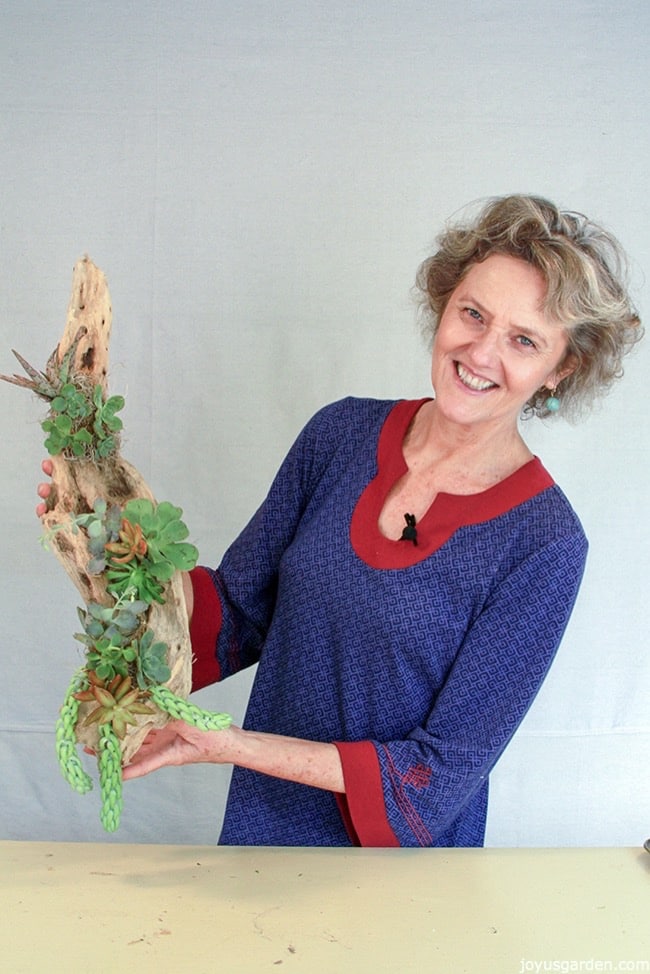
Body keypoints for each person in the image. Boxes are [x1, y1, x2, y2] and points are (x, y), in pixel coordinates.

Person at [38, 194, 642, 847]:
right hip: (263, 835)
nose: (482, 352)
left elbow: (435, 779)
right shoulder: (341, 435)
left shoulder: (543, 543)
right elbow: (235, 613)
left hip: (397, 882)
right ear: (444, 305)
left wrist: (232, 745)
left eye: (524, 340)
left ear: (562, 368)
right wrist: (111, 536)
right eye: (473, 313)